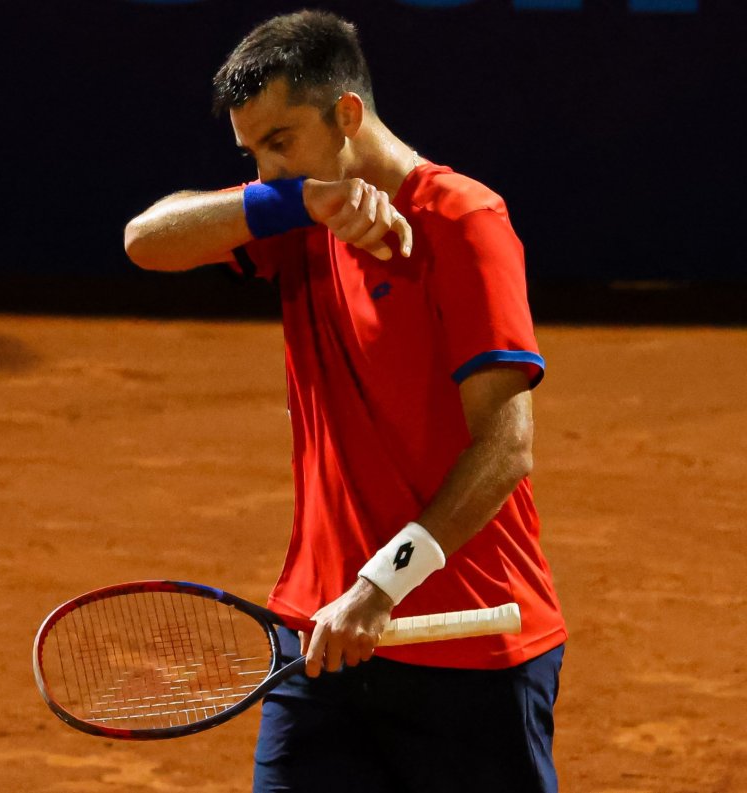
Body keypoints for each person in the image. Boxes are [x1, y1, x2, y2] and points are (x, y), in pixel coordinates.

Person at [123, 11, 565, 792]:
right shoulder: (296, 215)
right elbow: (146, 240)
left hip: (466, 649)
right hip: (319, 638)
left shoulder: (463, 221)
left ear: (348, 114)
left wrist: (379, 584)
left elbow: (505, 448)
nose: (267, 169)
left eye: (281, 142)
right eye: (253, 153)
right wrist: (294, 202)